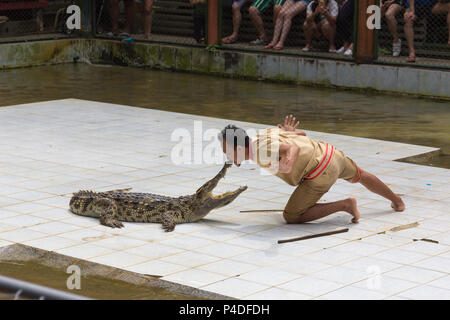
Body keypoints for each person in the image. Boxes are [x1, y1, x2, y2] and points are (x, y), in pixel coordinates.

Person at [219, 115, 405, 224]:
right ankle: (397, 201)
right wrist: (290, 132)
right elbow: (301, 136)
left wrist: (288, 161)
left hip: (320, 171)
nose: (227, 157)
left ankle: (346, 205)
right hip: (331, 154)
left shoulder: (260, 150)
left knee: (291, 216)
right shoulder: (265, 133)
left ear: (238, 148)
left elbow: (293, 149)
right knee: (360, 175)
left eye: (227, 152)